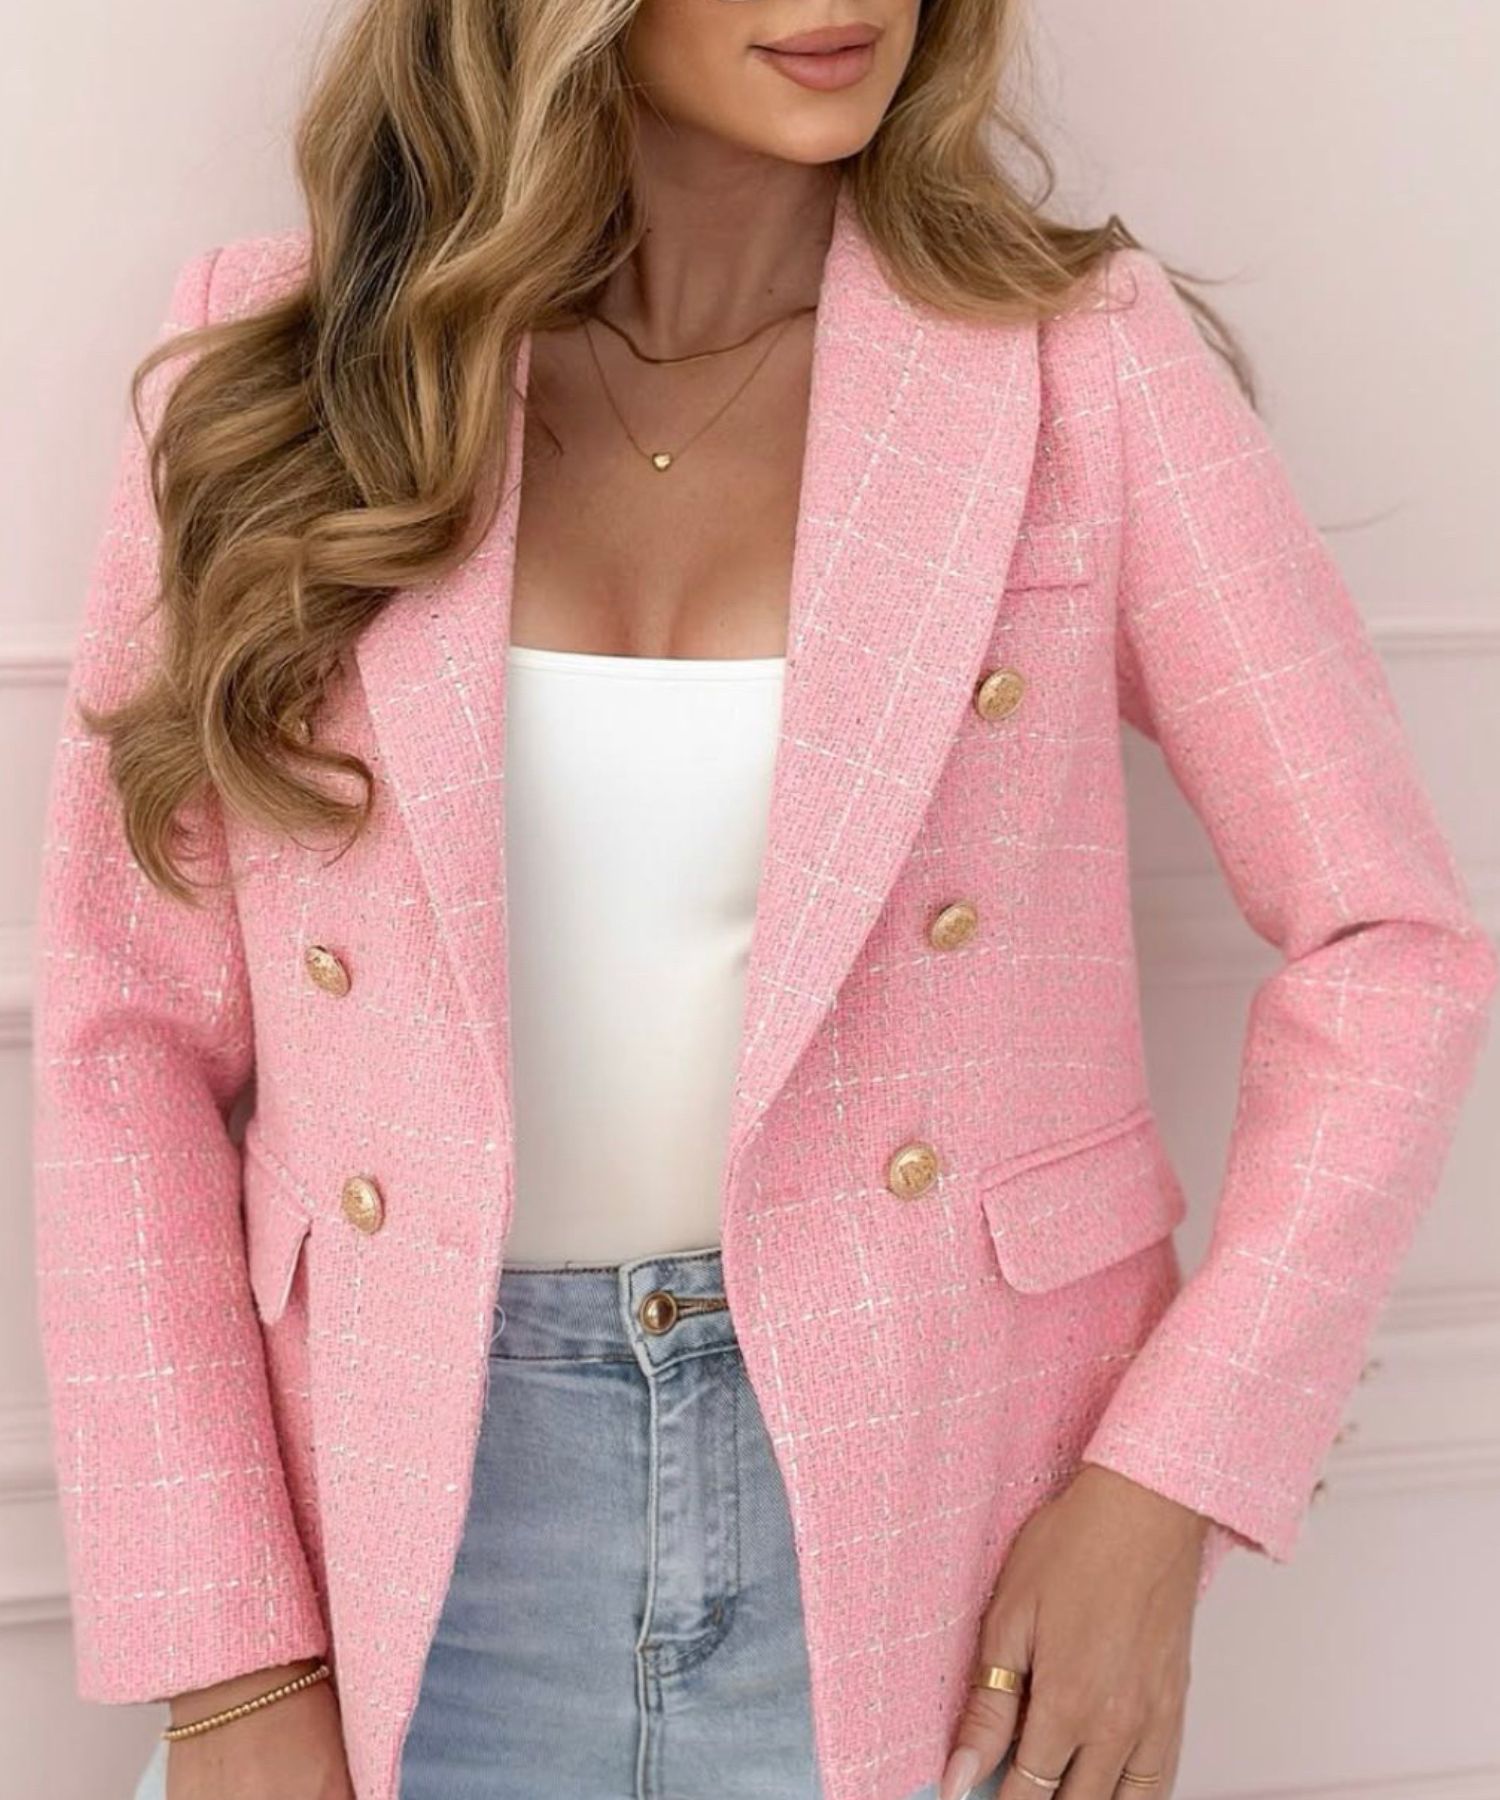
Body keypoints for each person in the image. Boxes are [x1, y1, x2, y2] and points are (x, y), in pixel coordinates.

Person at [31, 2, 1496, 1798]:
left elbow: (1390, 946)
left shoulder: (1073, 366)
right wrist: (229, 1669)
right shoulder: (287, 372)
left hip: (939, 1521)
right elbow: (125, 1042)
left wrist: (1167, 1482)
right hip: (399, 1527)